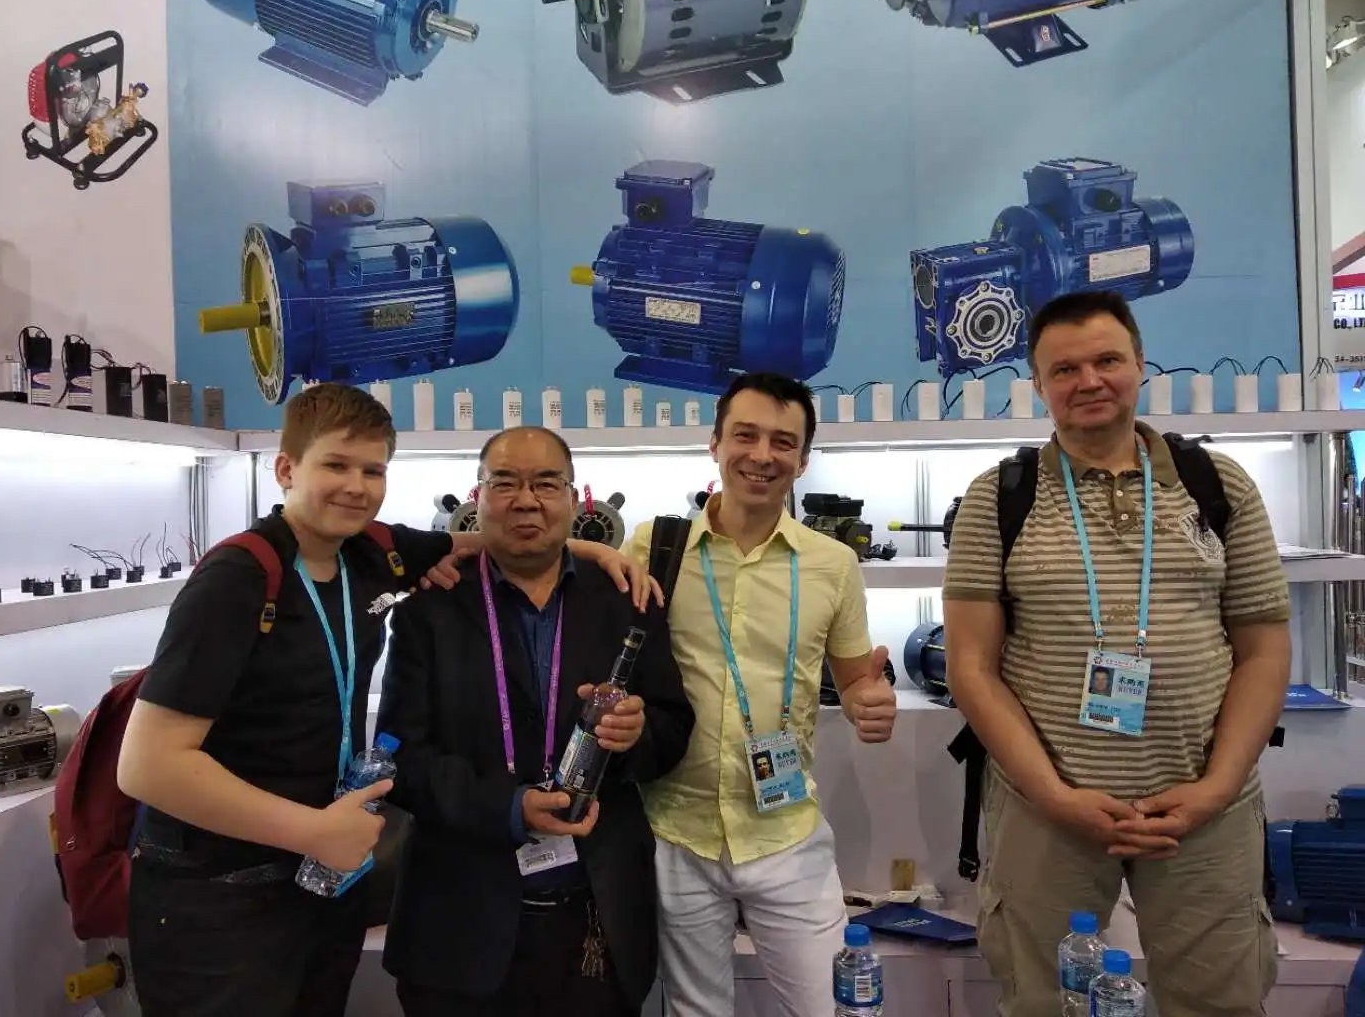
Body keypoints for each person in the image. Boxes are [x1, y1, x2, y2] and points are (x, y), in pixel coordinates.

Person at [117, 385, 653, 1017]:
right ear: (285, 468)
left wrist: (588, 549)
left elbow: (500, 540)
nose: (356, 487)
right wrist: (314, 831)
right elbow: (146, 767)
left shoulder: (371, 555)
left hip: (322, 884)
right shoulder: (236, 579)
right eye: (335, 465)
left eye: (372, 471)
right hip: (220, 894)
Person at [942, 290, 1292, 1017]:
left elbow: (1263, 647)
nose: (1089, 381)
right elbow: (971, 666)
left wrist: (1217, 787)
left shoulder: (1218, 484)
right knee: (1044, 1001)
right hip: (1047, 810)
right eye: (1064, 369)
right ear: (1038, 385)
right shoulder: (999, 496)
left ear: (1140, 364)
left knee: (1219, 1001)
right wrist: (1055, 796)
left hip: (1204, 810)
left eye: (1107, 360)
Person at [377, 426, 696, 1017]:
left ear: (573, 499)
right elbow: (399, 756)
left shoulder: (626, 599)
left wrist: (635, 735)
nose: (527, 500)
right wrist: (507, 807)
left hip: (596, 922)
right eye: (505, 483)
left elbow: (673, 729)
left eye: (547, 484)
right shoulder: (429, 605)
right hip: (459, 927)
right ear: (478, 498)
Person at [621, 371, 899, 1017]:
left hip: (785, 832)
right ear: (715, 444)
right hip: (675, 830)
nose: (762, 455)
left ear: (802, 461)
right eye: (745, 435)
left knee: (834, 1007)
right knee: (696, 1010)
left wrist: (869, 702)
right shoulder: (654, 546)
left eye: (783, 442)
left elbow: (857, 679)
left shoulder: (832, 564)